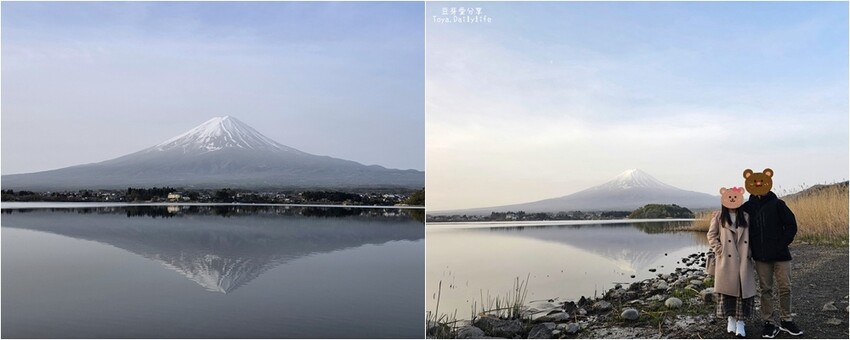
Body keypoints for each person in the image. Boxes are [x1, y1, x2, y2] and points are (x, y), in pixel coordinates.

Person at [741, 168, 803, 338]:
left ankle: (786, 320)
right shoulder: (747, 207)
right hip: (761, 257)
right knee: (765, 289)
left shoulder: (778, 204)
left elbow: (791, 226)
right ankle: (768, 322)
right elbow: (738, 226)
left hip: (781, 255)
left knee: (785, 288)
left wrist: (781, 245)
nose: (759, 185)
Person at [708, 186, 756, 338]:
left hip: (743, 260)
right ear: (724, 199)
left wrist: (749, 252)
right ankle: (730, 319)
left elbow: (752, 237)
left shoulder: (747, 216)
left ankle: (741, 322)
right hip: (726, 261)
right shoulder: (719, 217)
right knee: (728, 292)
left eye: (735, 197)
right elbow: (711, 235)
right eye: (730, 197)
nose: (732, 200)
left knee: (742, 292)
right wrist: (720, 250)